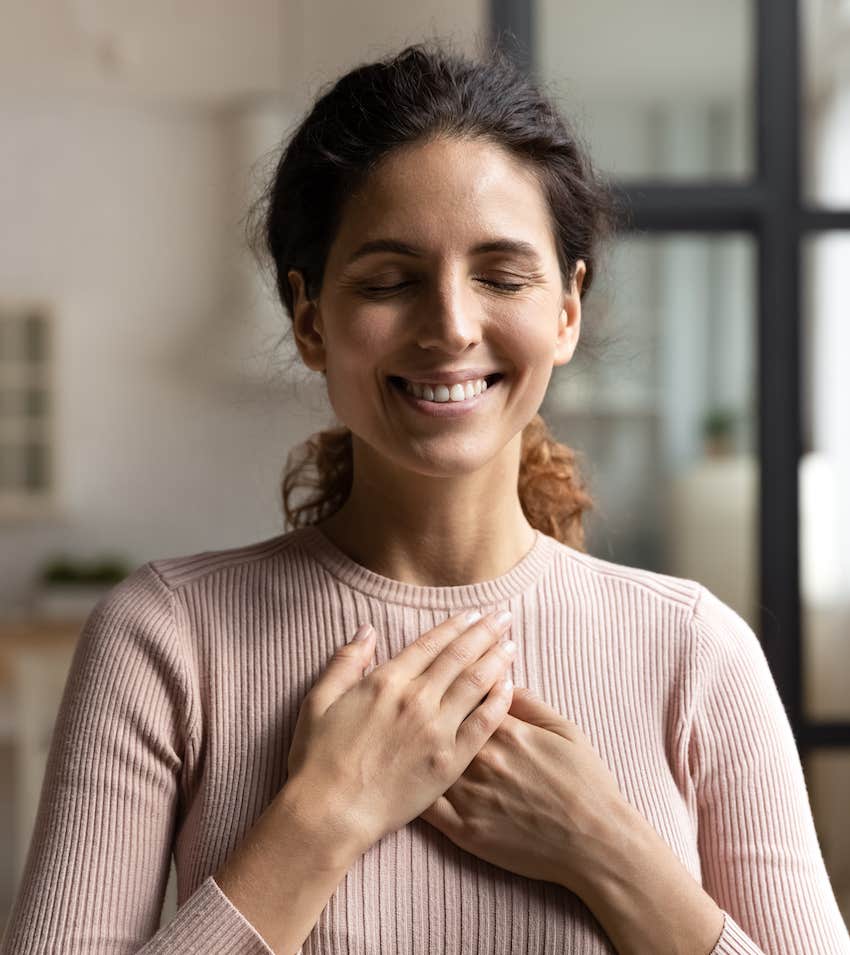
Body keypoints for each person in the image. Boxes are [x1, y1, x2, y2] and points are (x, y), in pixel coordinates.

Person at [2, 39, 848, 955]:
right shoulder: (162, 638)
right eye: (389, 280)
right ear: (310, 317)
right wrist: (323, 817)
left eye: (501, 275)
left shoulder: (698, 651)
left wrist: (608, 849)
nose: (450, 324)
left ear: (567, 310)